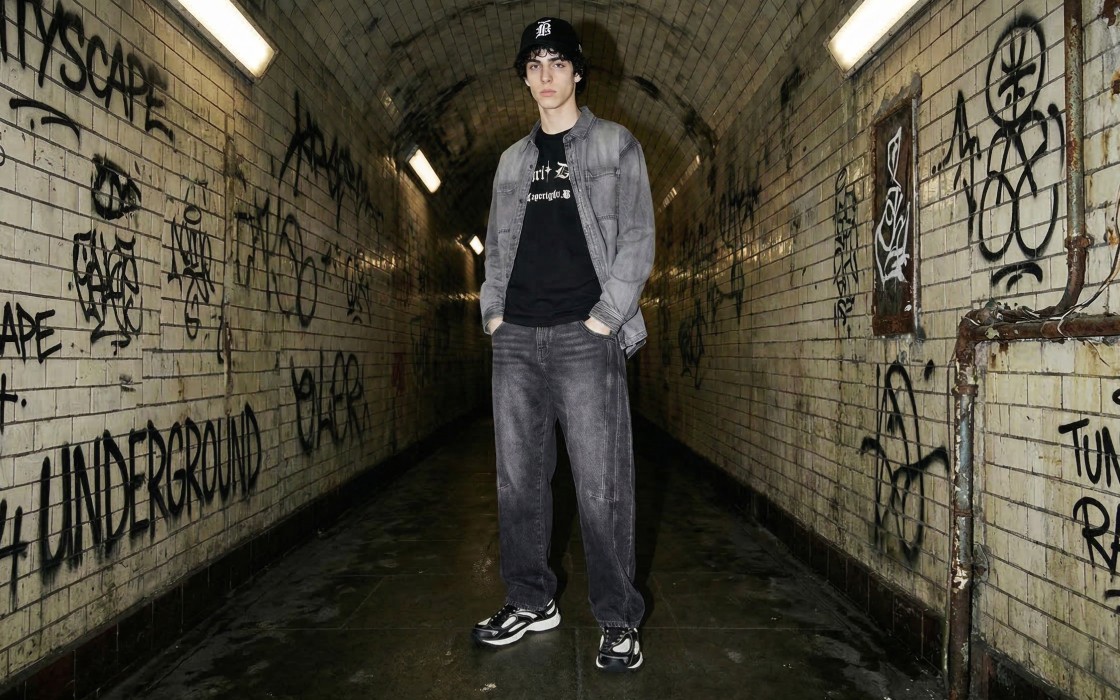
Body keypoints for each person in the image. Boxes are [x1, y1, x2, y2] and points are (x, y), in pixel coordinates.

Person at [472, 16, 656, 673]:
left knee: (602, 485)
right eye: (534, 65)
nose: (545, 75)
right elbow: (497, 250)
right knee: (519, 482)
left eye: (557, 62)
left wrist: (605, 319)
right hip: (517, 338)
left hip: (586, 334)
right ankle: (531, 600)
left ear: (578, 72)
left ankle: (618, 618)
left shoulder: (614, 145)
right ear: (525, 78)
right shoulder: (511, 162)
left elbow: (637, 237)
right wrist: (494, 315)